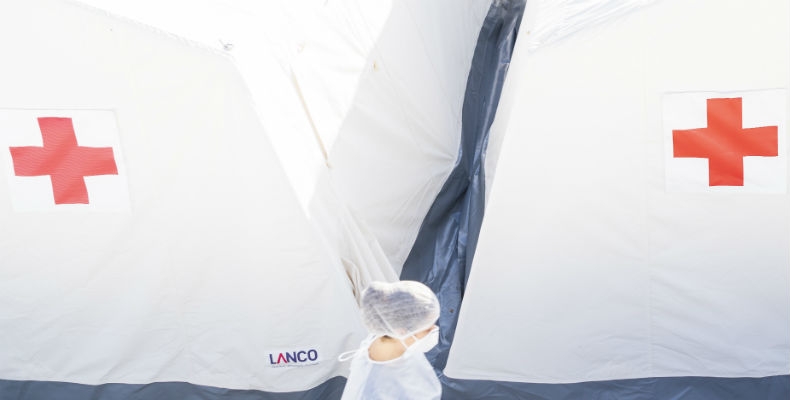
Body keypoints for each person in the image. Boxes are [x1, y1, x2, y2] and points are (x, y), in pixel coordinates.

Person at [339, 280, 442, 399]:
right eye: (427, 329)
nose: (435, 329)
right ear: (401, 331)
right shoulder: (379, 386)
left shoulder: (384, 341)